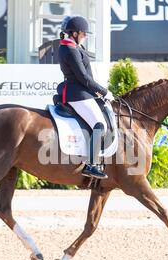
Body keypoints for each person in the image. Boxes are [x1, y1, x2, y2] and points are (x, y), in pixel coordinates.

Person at [56, 15, 114, 180]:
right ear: (74, 33)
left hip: (81, 92)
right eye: (83, 33)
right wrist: (104, 92)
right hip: (77, 94)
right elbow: (84, 78)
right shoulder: (70, 50)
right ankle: (91, 164)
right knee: (99, 124)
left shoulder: (74, 47)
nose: (85, 35)